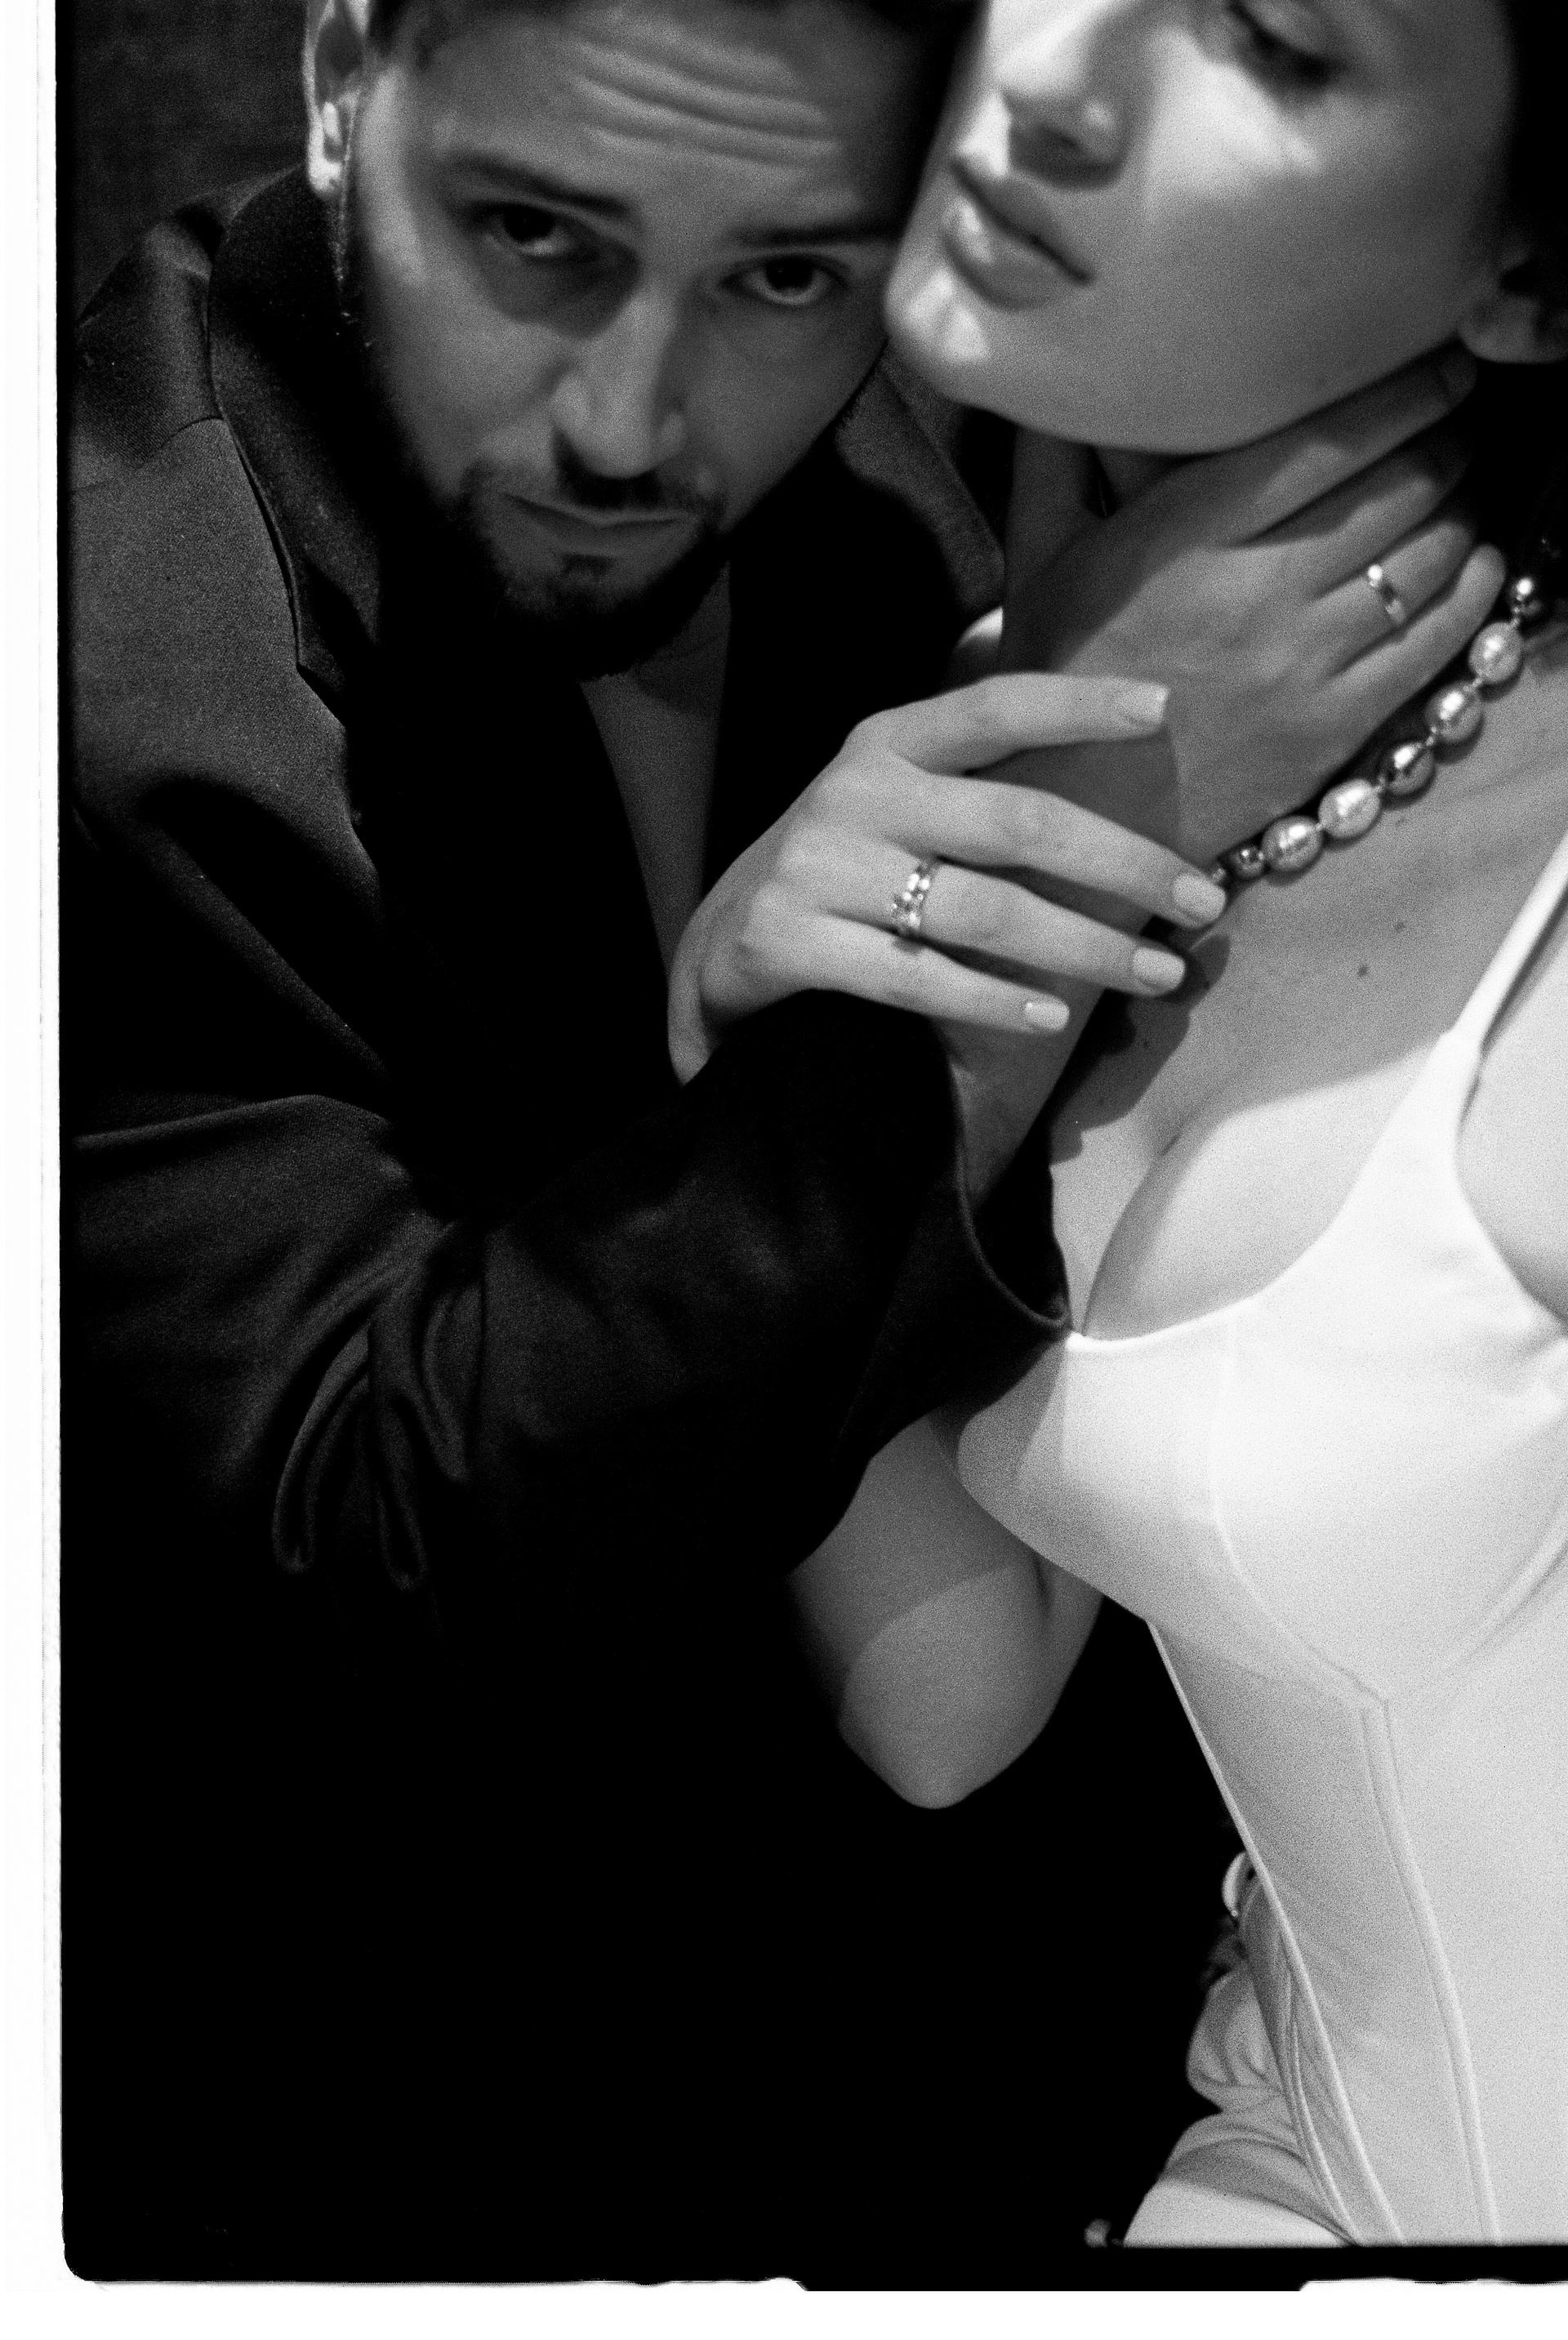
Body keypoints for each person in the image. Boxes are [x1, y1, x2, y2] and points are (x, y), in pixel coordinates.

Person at [65, 0, 1498, 2275]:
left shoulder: (1026, 414)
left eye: (789, 273)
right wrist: (983, 902)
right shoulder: (100, 655)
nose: (634, 422)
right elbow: (360, 1546)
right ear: (341, 77)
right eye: (531, 238)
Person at [684, 0, 1568, 2248]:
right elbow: (945, 1690)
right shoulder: (1018, 739)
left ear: (1537, 263)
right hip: (1275, 2179)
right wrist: (776, 1073)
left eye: (1264, 35)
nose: (1055, 70)